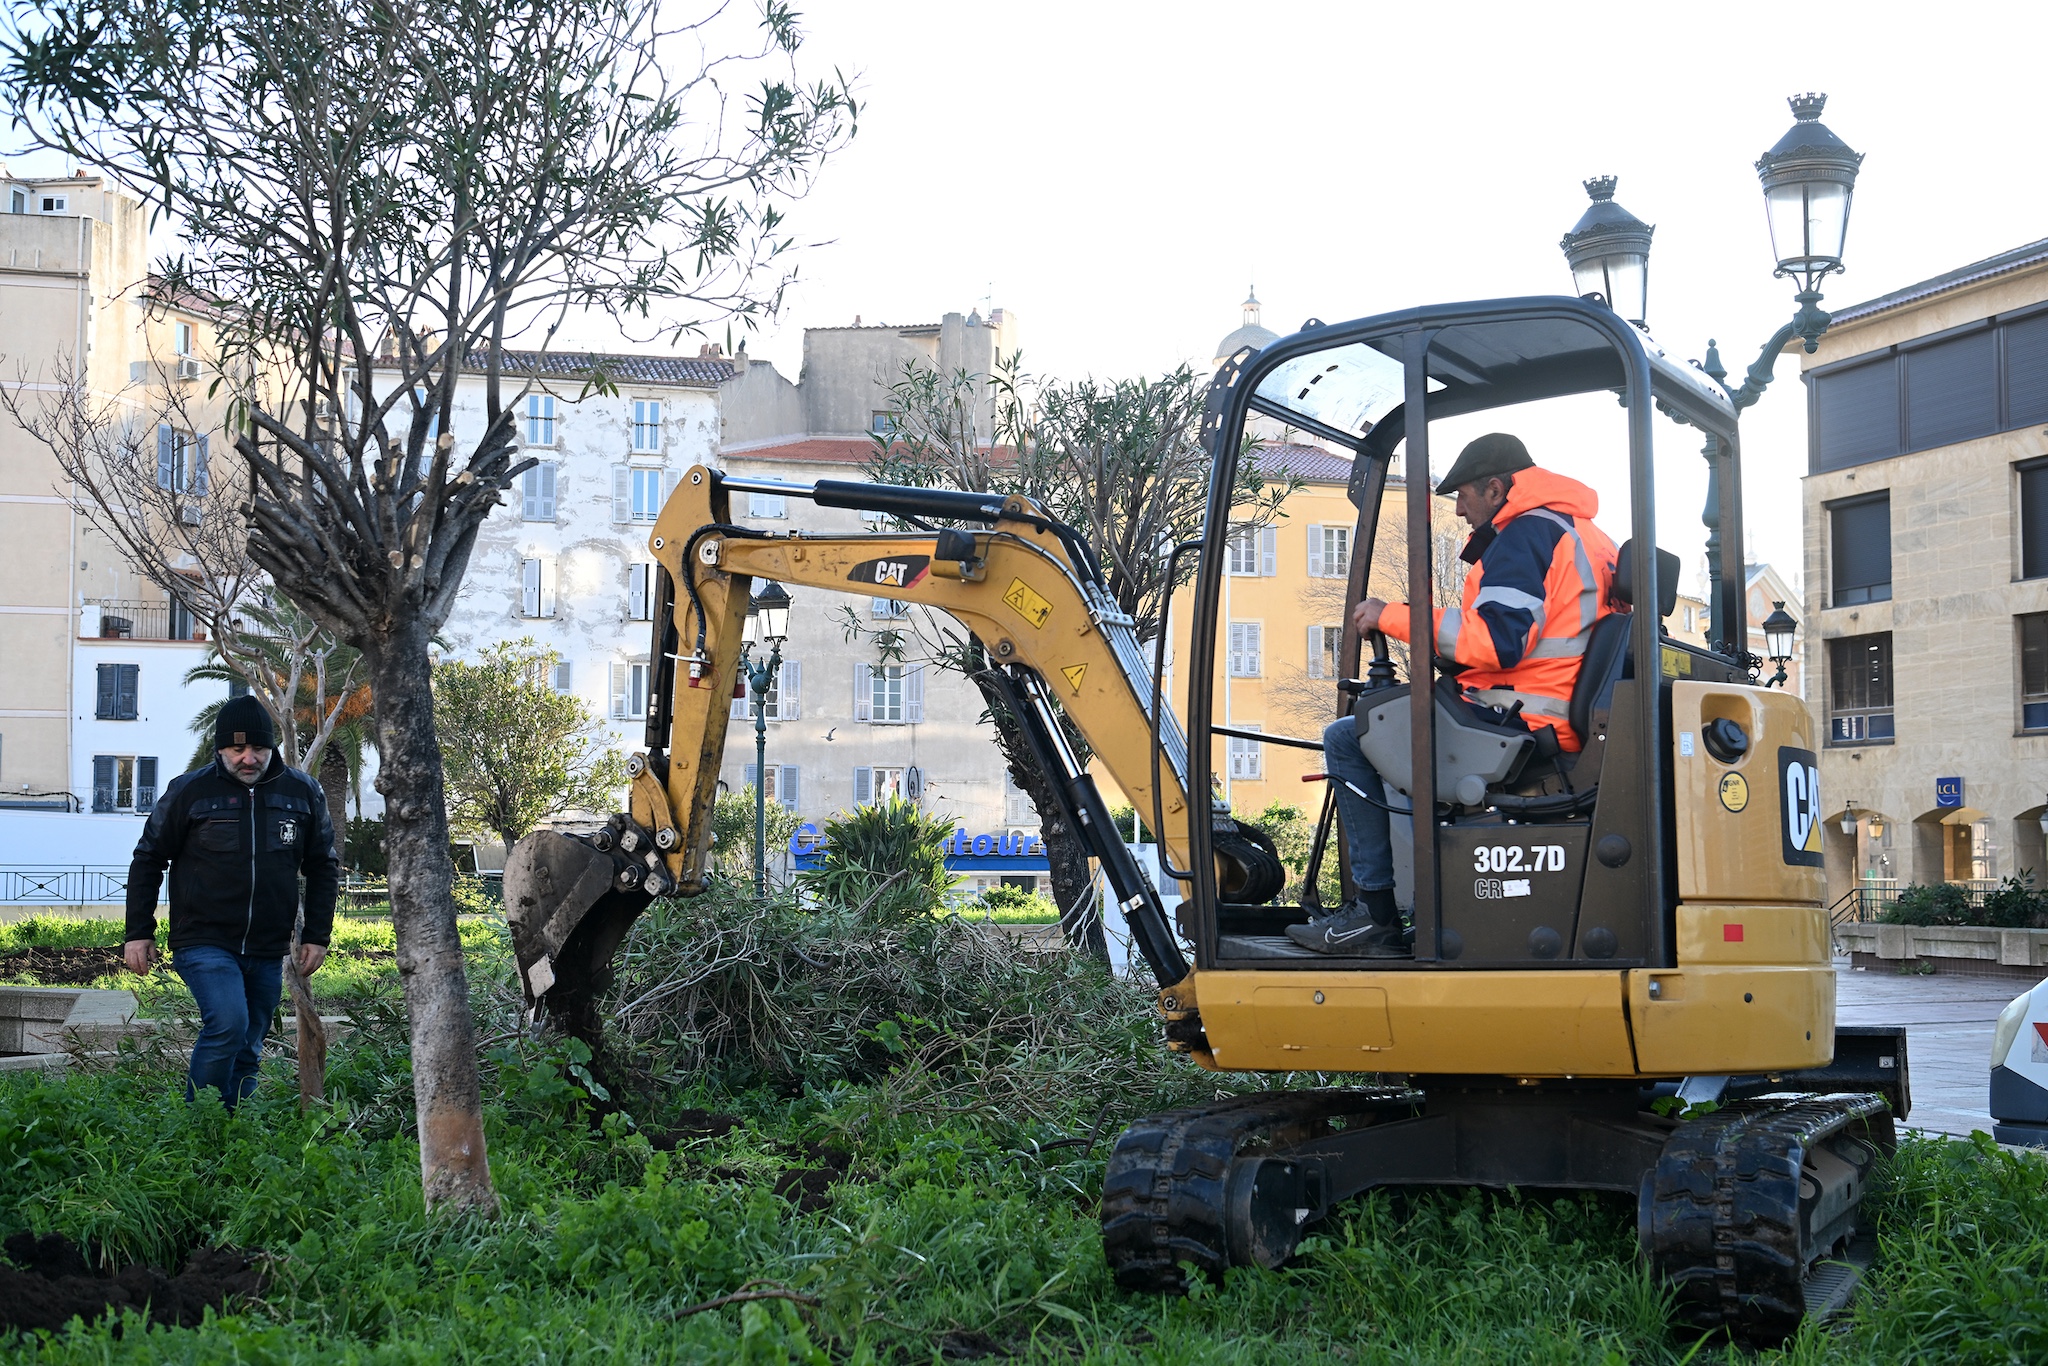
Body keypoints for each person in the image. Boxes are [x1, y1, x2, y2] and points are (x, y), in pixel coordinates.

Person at [1289, 432, 1618, 956]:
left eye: (1463, 495)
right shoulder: (1586, 536)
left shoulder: (1526, 534)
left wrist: (1391, 617)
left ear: (1495, 489)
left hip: (1520, 718)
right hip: (1547, 707)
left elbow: (1497, 640)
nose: (1460, 510)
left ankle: (1372, 914)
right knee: (1391, 723)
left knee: (1351, 737)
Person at [124, 695, 339, 1106]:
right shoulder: (190, 791)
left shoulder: (302, 792)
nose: (248, 758)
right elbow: (148, 858)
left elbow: (323, 866)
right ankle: (198, 1122)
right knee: (228, 1024)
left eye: (258, 748)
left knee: (249, 1043)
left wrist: (316, 935)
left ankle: (235, 1125)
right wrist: (139, 932)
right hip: (203, 939)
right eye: (237, 749)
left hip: (268, 945)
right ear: (220, 748)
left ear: (271, 747)